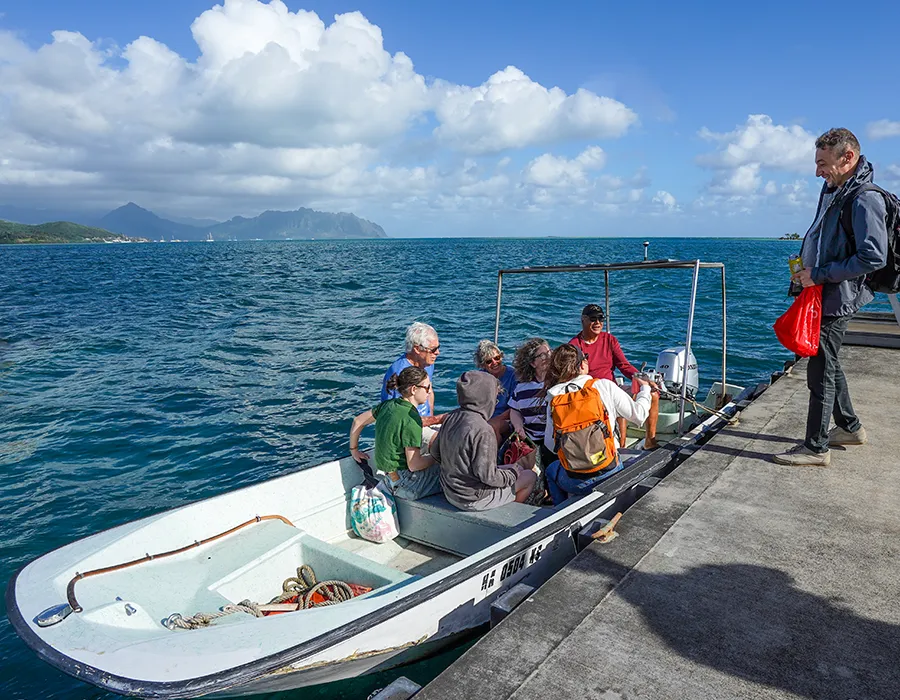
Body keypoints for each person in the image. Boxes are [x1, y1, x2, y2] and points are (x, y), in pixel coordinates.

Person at [774, 128, 888, 466]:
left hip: (838, 297)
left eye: (823, 163)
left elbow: (873, 256)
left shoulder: (864, 198)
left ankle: (815, 447)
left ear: (847, 157)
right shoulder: (836, 190)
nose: (817, 172)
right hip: (823, 293)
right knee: (829, 362)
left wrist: (819, 274)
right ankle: (850, 428)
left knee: (820, 370)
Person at [542, 344, 651, 504]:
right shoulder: (603, 386)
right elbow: (639, 416)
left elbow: (551, 445)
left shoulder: (553, 397)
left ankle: (560, 510)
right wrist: (645, 390)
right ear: (583, 364)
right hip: (609, 471)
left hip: (575, 481)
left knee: (551, 471)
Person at [432, 371, 536, 511]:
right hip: (473, 499)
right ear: (486, 398)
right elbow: (489, 477)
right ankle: (507, 513)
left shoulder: (452, 417)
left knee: (515, 469)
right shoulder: (483, 430)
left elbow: (435, 452)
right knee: (529, 476)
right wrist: (512, 473)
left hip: (450, 491)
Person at [569, 303, 660, 450]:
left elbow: (624, 365)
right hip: (591, 393)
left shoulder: (610, 340)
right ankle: (619, 447)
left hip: (612, 387)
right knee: (616, 404)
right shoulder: (574, 345)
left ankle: (650, 440)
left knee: (653, 394)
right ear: (583, 320)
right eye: (593, 319)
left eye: (601, 319)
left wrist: (643, 379)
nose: (598, 323)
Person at [350, 366, 442, 501]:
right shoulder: (411, 418)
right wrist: (436, 458)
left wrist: (354, 450)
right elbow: (414, 464)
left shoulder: (388, 405)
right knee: (450, 470)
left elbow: (358, 421)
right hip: (409, 485)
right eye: (427, 388)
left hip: (390, 480)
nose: (429, 392)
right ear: (414, 389)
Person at [381, 322, 444, 426]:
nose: (437, 352)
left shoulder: (427, 363)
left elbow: (430, 392)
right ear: (417, 349)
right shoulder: (400, 373)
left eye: (438, 347)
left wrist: (430, 419)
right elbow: (395, 414)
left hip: (424, 422)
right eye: (433, 349)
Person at [508, 338, 556, 468]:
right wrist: (519, 427)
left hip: (554, 440)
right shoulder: (521, 387)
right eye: (542, 355)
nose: (548, 357)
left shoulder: (558, 383)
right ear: (533, 363)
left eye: (549, 352)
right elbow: (514, 409)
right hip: (531, 440)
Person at [473, 339, 516, 441]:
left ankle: (494, 456)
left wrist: (495, 420)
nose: (494, 362)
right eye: (489, 361)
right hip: (484, 417)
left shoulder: (513, 375)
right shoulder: (480, 376)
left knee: (491, 427)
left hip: (507, 418)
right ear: (482, 364)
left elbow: (515, 407)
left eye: (497, 358)